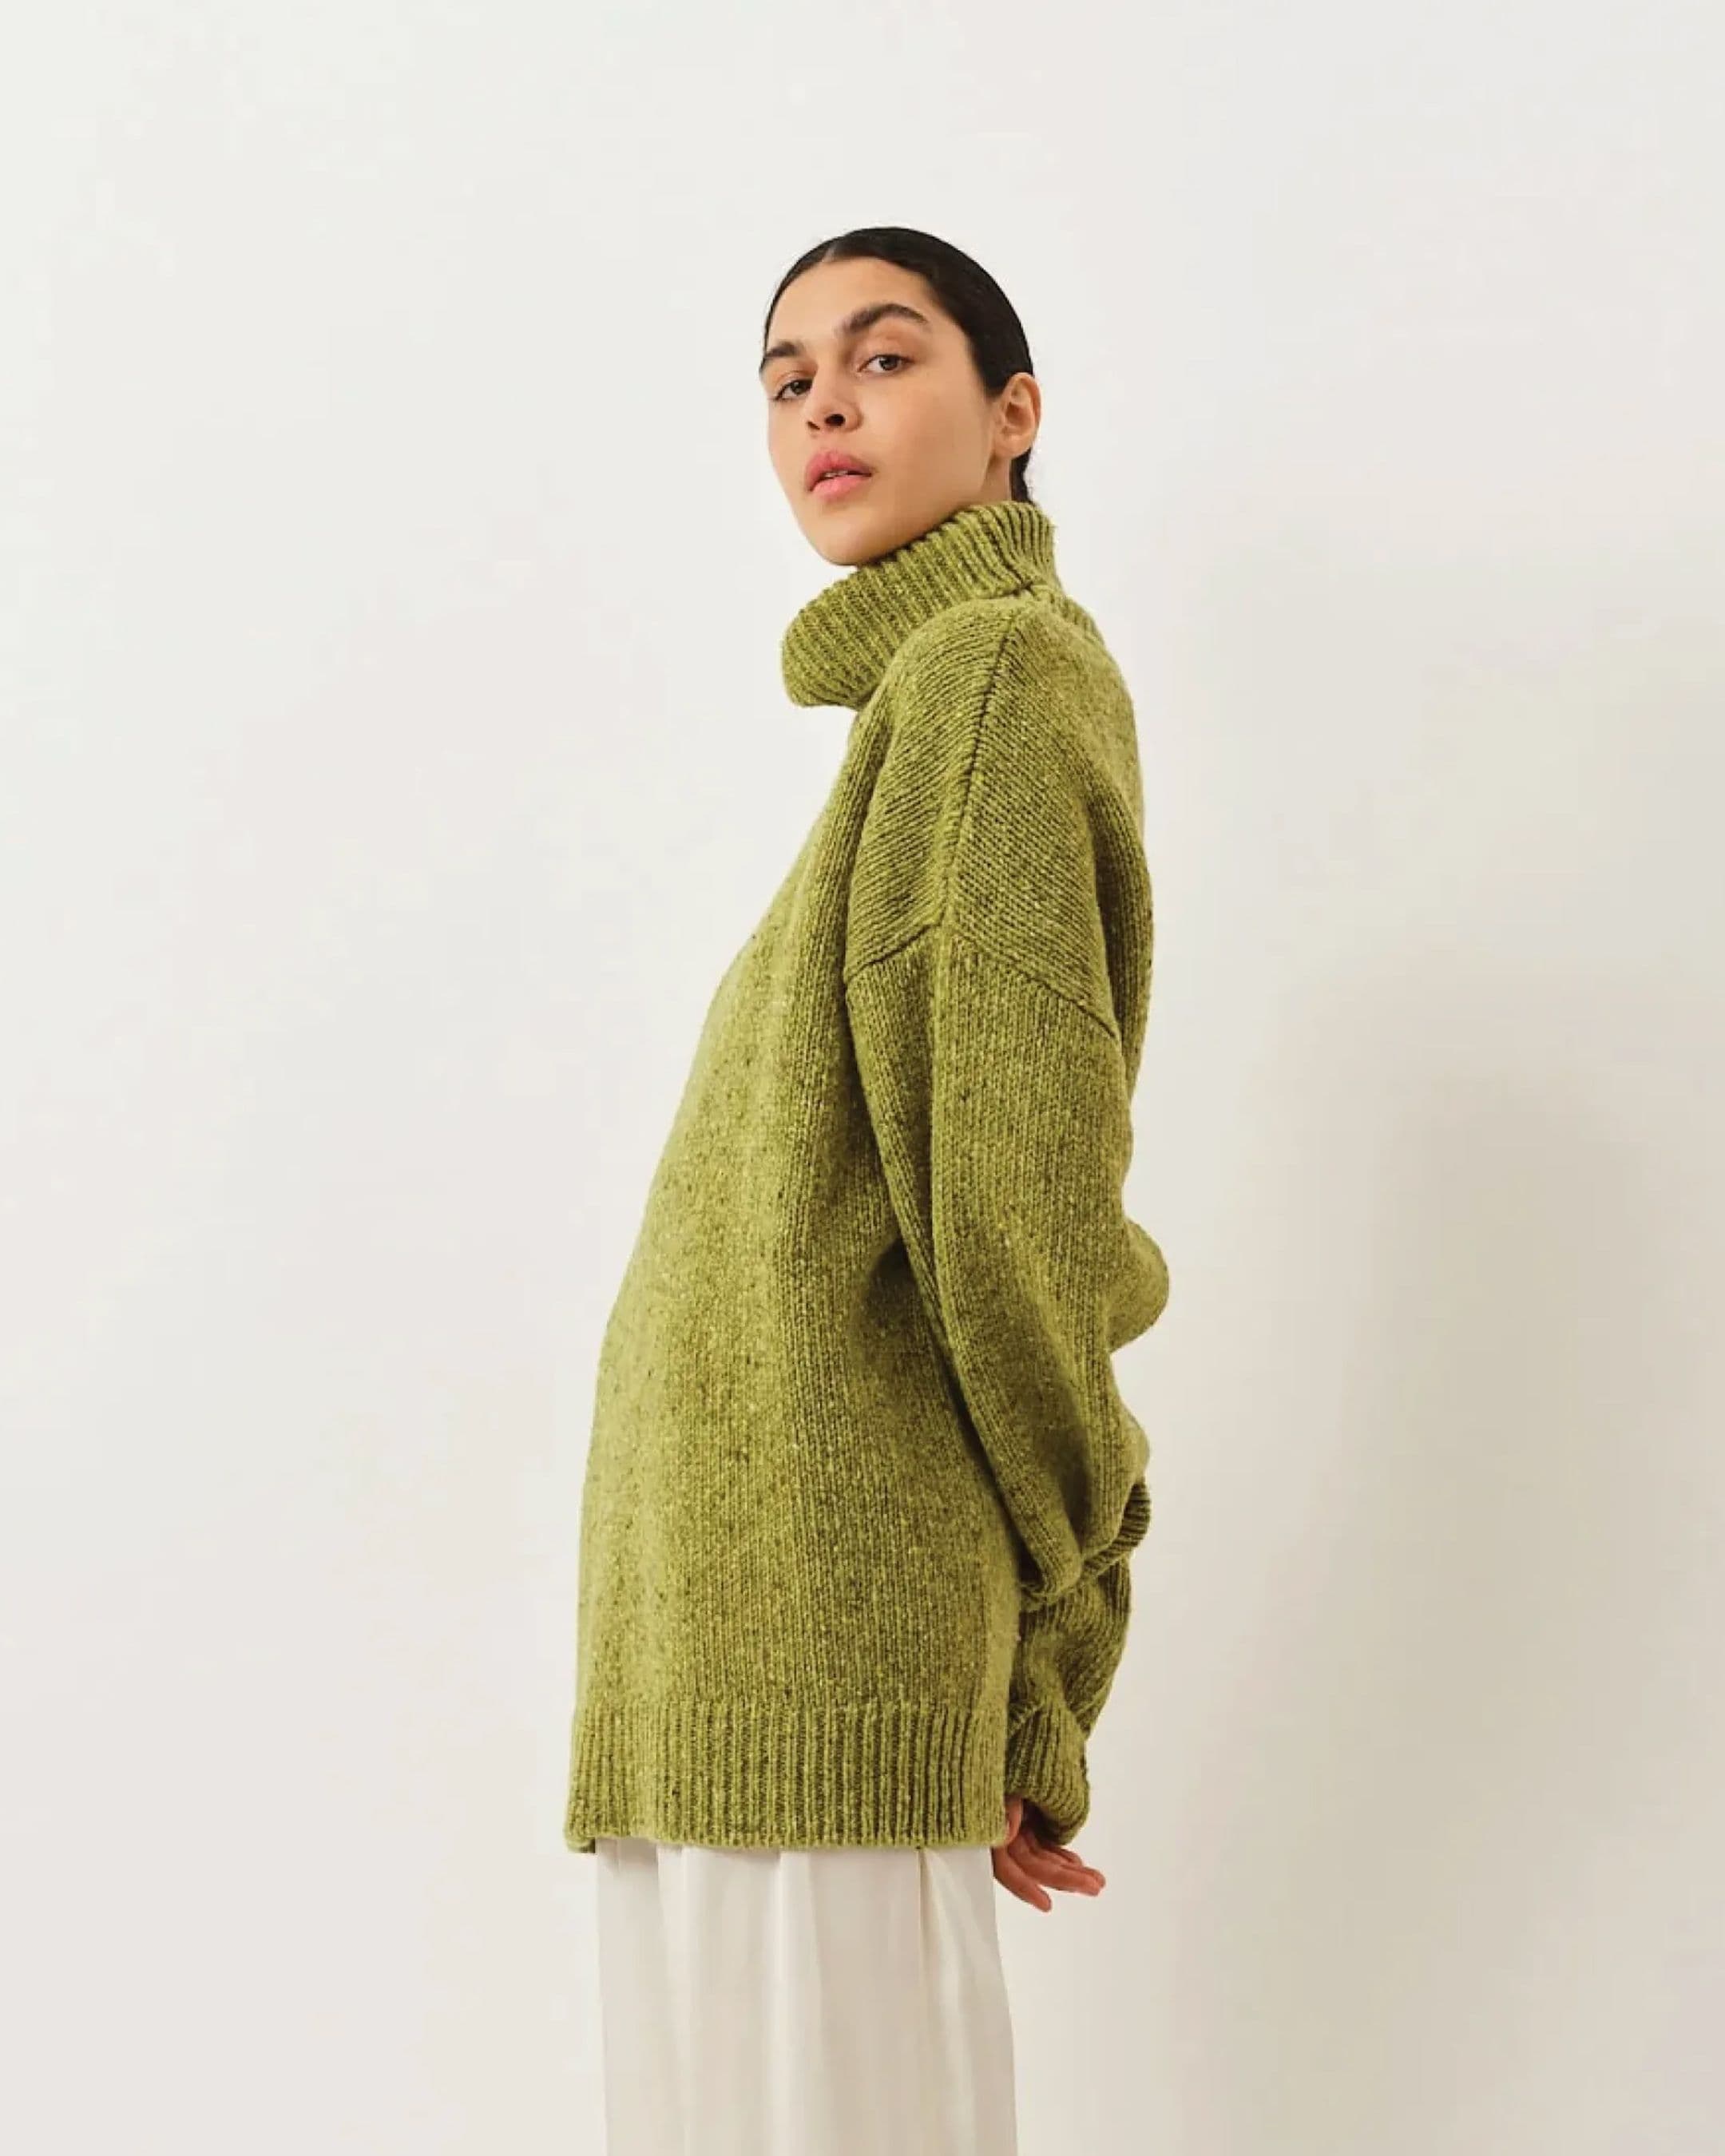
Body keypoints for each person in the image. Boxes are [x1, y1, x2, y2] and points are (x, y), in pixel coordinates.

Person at [562, 225, 1172, 2156]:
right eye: (787, 378)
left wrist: (1054, 1651)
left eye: (885, 357)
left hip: (835, 1640)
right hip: (732, 1646)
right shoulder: (923, 712)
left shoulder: (992, 681)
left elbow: (1017, 1211)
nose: (824, 402)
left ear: (1013, 415)